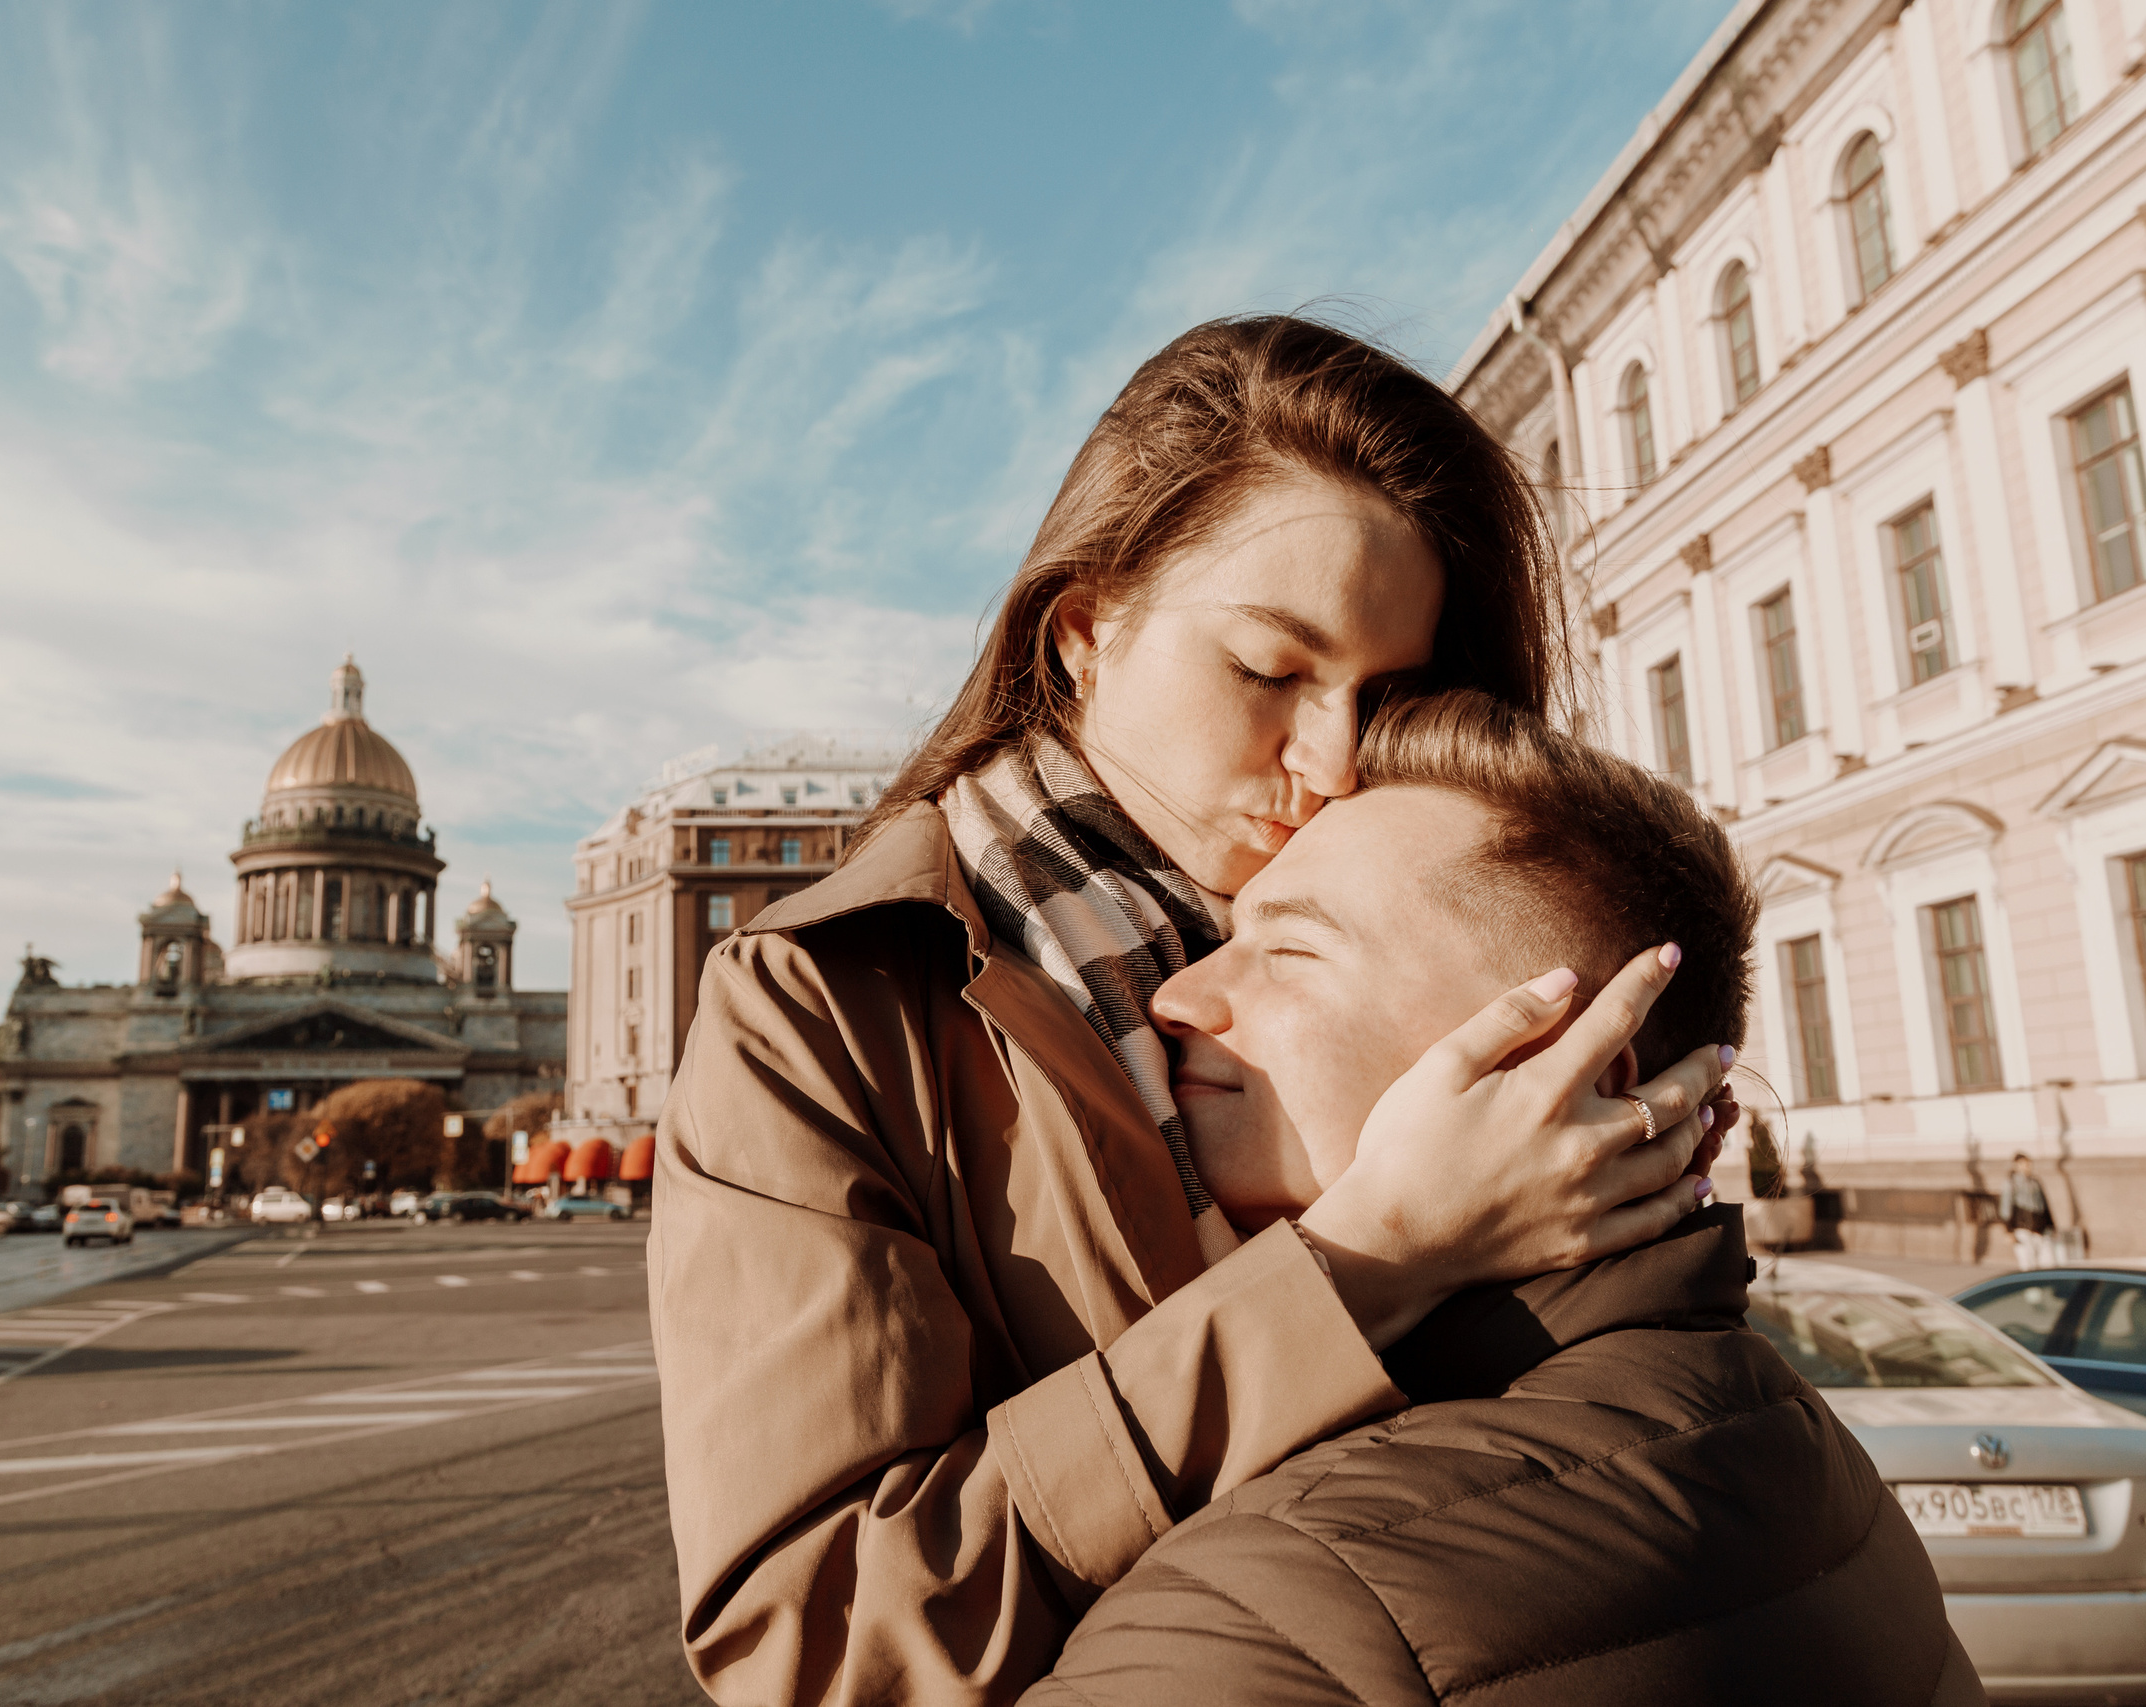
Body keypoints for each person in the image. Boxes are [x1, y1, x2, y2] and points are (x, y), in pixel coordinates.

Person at [650, 316, 1737, 1705]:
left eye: (1387, 693)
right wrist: (1363, 1264)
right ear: (1087, 634)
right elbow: (818, 1640)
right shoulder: (832, 999)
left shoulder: (1431, 923)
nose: (1335, 759)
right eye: (1272, 671)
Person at [1026, 692, 1982, 1707]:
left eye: (1293, 951)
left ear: (1569, 1080)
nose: (1175, 997)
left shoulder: (1269, 1609)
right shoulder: (1811, 1457)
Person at [2001, 1153, 2058, 1269]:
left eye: (2028, 1164)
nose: (2027, 1167)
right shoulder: (2011, 1183)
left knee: (2048, 1262)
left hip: (2040, 1228)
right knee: (2028, 1263)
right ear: (2016, 1165)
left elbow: (2045, 1205)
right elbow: (2005, 1207)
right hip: (2022, 1227)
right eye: (2024, 1164)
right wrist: (2008, 1230)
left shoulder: (2035, 1182)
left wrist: (2051, 1225)